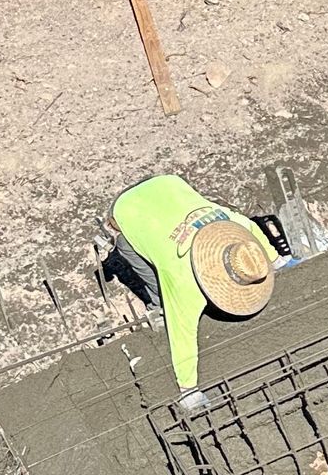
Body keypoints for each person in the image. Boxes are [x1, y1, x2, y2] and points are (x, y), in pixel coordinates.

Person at [108, 175, 279, 411]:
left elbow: (250, 226)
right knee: (130, 250)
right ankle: (158, 304)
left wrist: (273, 259)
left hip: (169, 184)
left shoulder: (234, 227)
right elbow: (182, 331)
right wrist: (189, 390)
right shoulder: (184, 283)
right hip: (127, 207)